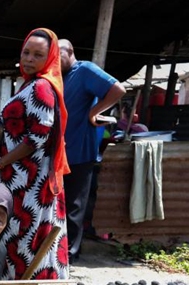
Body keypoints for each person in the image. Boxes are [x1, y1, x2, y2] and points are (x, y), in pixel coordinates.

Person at [0, 28, 71, 281]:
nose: (29, 59)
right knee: (19, 234)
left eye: (38, 55)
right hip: (20, 176)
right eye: (26, 52)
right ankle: (17, 284)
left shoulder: (41, 86)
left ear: (50, 58)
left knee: (25, 234)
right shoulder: (30, 84)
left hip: (30, 180)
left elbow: (37, 138)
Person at [58, 38, 126, 262]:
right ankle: (57, 253)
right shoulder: (60, 76)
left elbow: (118, 89)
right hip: (60, 155)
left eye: (60, 55)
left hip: (79, 152)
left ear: (71, 52)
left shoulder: (84, 70)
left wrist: (94, 112)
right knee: (58, 206)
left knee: (74, 207)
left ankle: (71, 256)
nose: (56, 61)